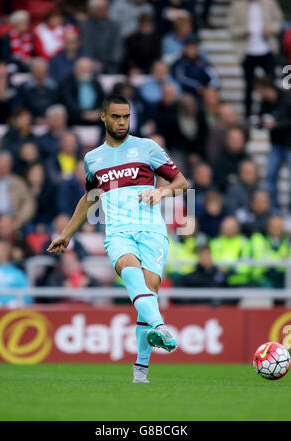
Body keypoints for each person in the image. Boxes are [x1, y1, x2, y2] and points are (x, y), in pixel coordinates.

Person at [47, 94, 189, 383]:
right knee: (130, 272)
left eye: (126, 117)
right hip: (118, 233)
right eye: (116, 117)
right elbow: (89, 200)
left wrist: (159, 191)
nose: (122, 122)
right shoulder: (92, 159)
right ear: (103, 117)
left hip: (152, 232)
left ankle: (140, 372)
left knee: (146, 295)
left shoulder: (147, 147)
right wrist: (66, 234)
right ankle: (161, 327)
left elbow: (181, 182)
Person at [228, 0, 283, 117]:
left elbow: (279, 21)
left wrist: (271, 29)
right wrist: (243, 32)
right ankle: (248, 115)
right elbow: (231, 26)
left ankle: (272, 112)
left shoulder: (269, 3)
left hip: (267, 49)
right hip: (247, 51)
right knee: (249, 85)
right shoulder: (237, 5)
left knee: (271, 84)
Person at [255, 76, 291, 210]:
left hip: (289, 144)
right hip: (276, 144)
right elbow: (260, 120)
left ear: (266, 89)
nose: (259, 94)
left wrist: (276, 124)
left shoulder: (286, 98)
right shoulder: (265, 102)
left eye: (260, 90)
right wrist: (262, 123)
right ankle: (274, 209)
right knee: (270, 175)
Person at [58, 57, 105, 125]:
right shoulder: (67, 83)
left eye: (88, 69)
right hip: (74, 119)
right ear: (75, 70)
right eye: (82, 69)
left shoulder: (96, 83)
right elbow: (68, 102)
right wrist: (83, 113)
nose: (85, 72)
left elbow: (103, 100)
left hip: (96, 118)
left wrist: (98, 112)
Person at [79, 0, 123, 73]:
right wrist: (92, 60)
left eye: (106, 8)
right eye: (101, 9)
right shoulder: (85, 25)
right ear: (92, 10)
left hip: (112, 64)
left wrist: (111, 61)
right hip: (93, 65)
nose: (105, 11)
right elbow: (86, 46)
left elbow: (118, 47)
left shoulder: (114, 25)